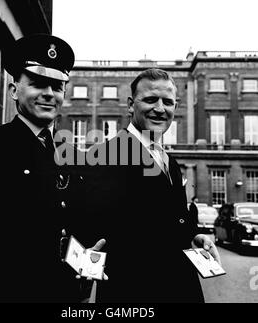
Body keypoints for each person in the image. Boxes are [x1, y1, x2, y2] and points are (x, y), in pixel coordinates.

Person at [0, 34, 104, 302]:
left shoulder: (70, 155)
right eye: (37, 84)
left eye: (57, 87)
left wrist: (86, 276)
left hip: (61, 295)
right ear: (14, 90)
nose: (49, 94)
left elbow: (79, 227)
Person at [81, 68, 221, 303]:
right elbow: (88, 232)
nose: (159, 108)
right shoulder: (105, 156)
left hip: (182, 289)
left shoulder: (170, 162)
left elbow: (173, 217)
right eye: (150, 100)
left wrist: (193, 235)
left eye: (168, 102)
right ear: (130, 105)